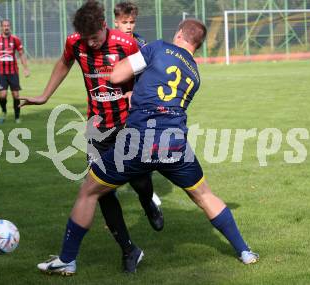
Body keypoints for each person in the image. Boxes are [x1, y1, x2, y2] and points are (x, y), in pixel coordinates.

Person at [35, 18, 259, 276]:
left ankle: (67, 260)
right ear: (197, 44)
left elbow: (117, 75)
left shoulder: (158, 48)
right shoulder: (195, 74)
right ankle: (244, 251)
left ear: (178, 33)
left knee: (89, 191)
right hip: (175, 143)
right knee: (204, 195)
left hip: (140, 140)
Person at [19, 0, 163, 273]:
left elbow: (148, 73)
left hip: (127, 124)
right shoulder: (75, 42)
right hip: (97, 128)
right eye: (87, 40)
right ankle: (129, 250)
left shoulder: (126, 43)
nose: (92, 44)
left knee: (140, 181)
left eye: (95, 38)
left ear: (104, 26)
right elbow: (63, 63)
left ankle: (148, 203)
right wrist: (44, 96)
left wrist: (137, 93)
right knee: (99, 192)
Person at [114, 1, 162, 206]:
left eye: (132, 22)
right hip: (112, 101)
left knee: (139, 146)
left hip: (137, 103)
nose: (129, 26)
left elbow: (149, 72)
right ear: (116, 21)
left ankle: (148, 193)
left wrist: (137, 91)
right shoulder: (110, 43)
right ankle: (106, 183)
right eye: (124, 22)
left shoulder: (141, 43)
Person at [0, 19, 29, 124]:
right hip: (1, 73)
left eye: (8, 25)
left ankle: (17, 116)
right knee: (2, 95)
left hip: (13, 72)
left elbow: (21, 54)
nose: (6, 27)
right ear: (1, 27)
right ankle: (3, 111)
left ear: (10, 26)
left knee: (16, 95)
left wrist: (25, 68)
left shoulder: (15, 40)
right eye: (4, 26)